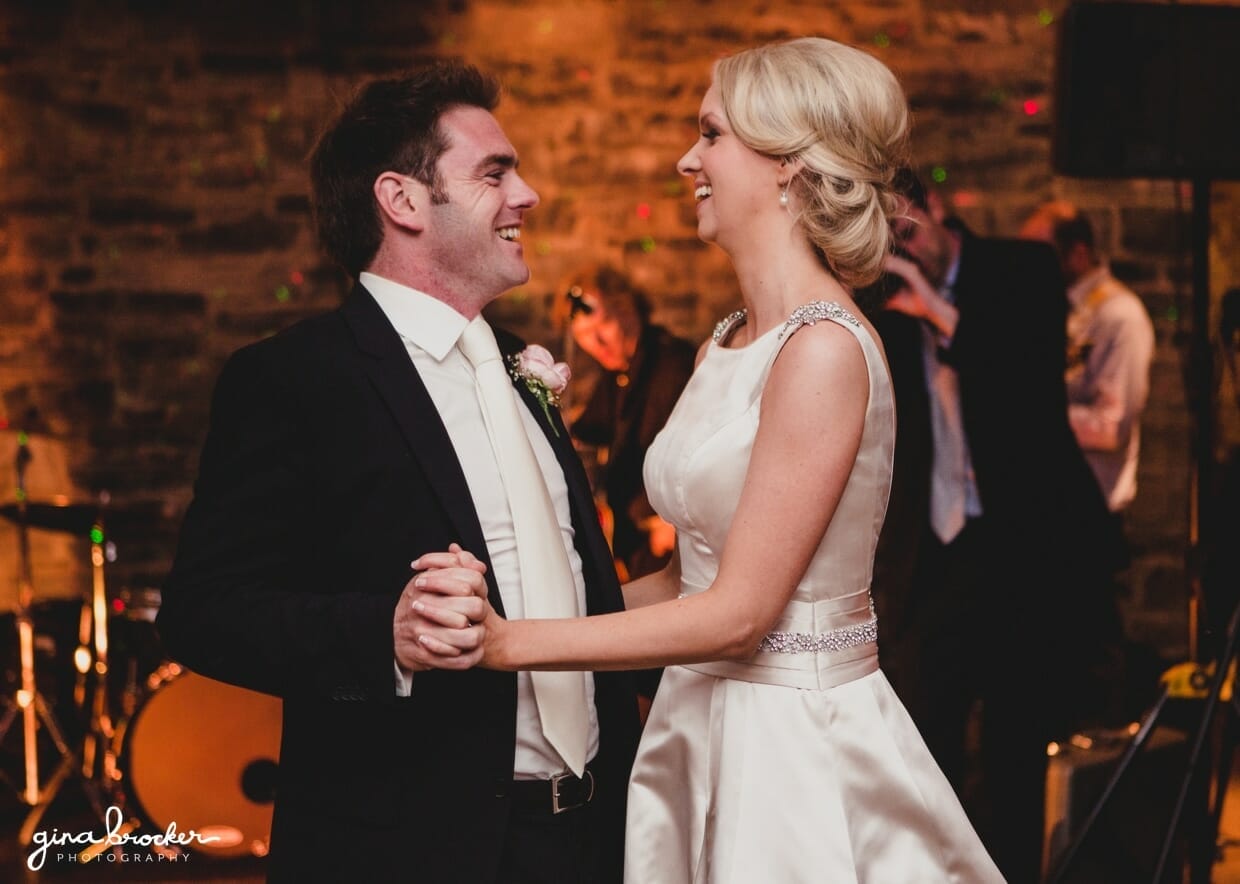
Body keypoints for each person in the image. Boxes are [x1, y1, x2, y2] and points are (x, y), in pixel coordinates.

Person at [414, 37, 1003, 882]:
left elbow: (739, 614)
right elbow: (694, 574)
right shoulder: (726, 342)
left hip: (791, 744)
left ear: (789, 169)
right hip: (700, 717)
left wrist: (512, 644)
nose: (688, 158)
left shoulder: (825, 350)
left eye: (713, 135)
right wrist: (531, 598)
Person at [156, 62, 640, 883]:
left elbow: (578, 585)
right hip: (417, 846)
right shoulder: (296, 379)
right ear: (403, 200)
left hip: (594, 835)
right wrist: (384, 634)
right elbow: (203, 612)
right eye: (495, 173)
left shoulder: (525, 367)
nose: (526, 196)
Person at [869, 172, 1126, 882]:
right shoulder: (878, 305)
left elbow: (1032, 388)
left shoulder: (1021, 271)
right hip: (932, 559)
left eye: (909, 231)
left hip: (1024, 554)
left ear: (937, 209)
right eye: (890, 241)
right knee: (925, 749)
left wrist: (938, 311)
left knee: (1016, 757)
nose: (906, 251)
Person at [563, 264, 696, 712]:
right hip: (636, 537)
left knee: (662, 674)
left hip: (669, 532)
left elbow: (699, 450)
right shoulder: (618, 371)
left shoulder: (673, 363)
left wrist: (681, 523)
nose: (596, 347)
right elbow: (593, 428)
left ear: (626, 310)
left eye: (602, 330)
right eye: (585, 339)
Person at [1019, 201, 1156, 518]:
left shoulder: (1120, 316)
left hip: (1089, 508)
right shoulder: (1047, 307)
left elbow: (1112, 428)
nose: (1028, 266)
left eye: (1040, 255)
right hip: (1047, 503)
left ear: (1078, 254)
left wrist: (1028, 415)